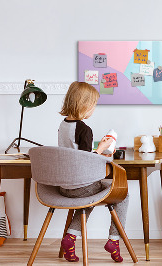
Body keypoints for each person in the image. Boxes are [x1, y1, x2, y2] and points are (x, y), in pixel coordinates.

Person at [58, 81, 128, 263]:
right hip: (81, 186)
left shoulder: (63, 125)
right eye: (93, 105)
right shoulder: (84, 129)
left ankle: (70, 238)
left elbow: (75, 154)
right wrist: (102, 149)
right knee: (123, 194)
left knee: (88, 198)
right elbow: (85, 161)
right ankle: (114, 240)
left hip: (64, 186)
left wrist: (97, 149)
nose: (94, 109)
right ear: (84, 105)